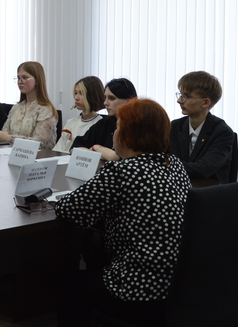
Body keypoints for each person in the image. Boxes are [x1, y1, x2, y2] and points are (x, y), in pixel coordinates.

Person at [55, 99, 191, 326]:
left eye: (117, 128)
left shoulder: (122, 171)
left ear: (128, 135)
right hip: (178, 285)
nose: (113, 134)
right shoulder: (175, 165)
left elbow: (69, 210)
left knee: (70, 284)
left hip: (136, 289)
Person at [169, 70, 234, 183]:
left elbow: (204, 169)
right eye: (180, 95)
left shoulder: (222, 132)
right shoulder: (174, 126)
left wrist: (166, 166)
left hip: (208, 191)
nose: (179, 100)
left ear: (205, 102)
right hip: (177, 189)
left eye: (186, 96)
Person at [0, 61, 58, 150]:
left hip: (39, 156)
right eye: (18, 78)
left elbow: (40, 143)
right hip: (12, 153)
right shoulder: (16, 107)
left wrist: (9, 138)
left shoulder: (46, 110)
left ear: (37, 80)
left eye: (25, 78)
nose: (20, 82)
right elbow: (5, 132)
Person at [71, 77, 137, 161]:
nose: (105, 103)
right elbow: (75, 148)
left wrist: (96, 148)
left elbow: (115, 157)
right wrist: (99, 153)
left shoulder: (138, 126)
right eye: (105, 97)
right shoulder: (105, 123)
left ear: (128, 101)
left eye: (112, 98)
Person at [51, 76, 104, 154]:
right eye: (76, 93)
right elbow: (58, 150)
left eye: (81, 93)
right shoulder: (71, 122)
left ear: (93, 96)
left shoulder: (101, 125)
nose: (76, 97)